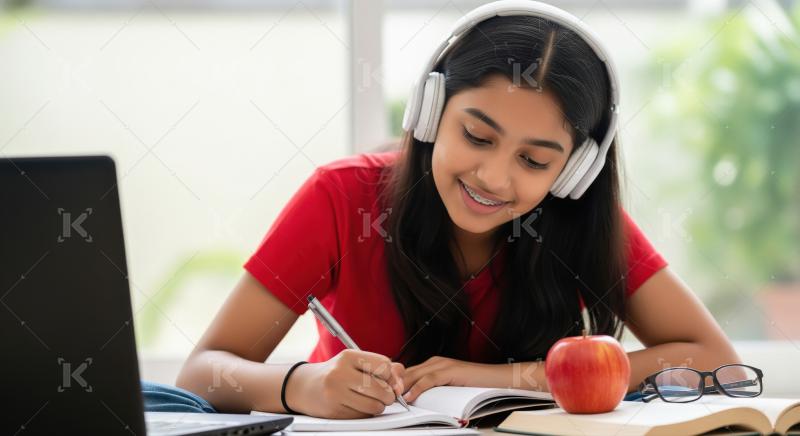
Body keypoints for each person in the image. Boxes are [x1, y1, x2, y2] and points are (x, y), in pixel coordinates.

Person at [174, 0, 742, 419]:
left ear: (573, 173)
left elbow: (718, 361)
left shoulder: (580, 218)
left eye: (535, 160)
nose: (494, 177)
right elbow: (202, 372)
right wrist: (302, 386)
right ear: (428, 113)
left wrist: (504, 378)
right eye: (476, 136)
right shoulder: (342, 198)